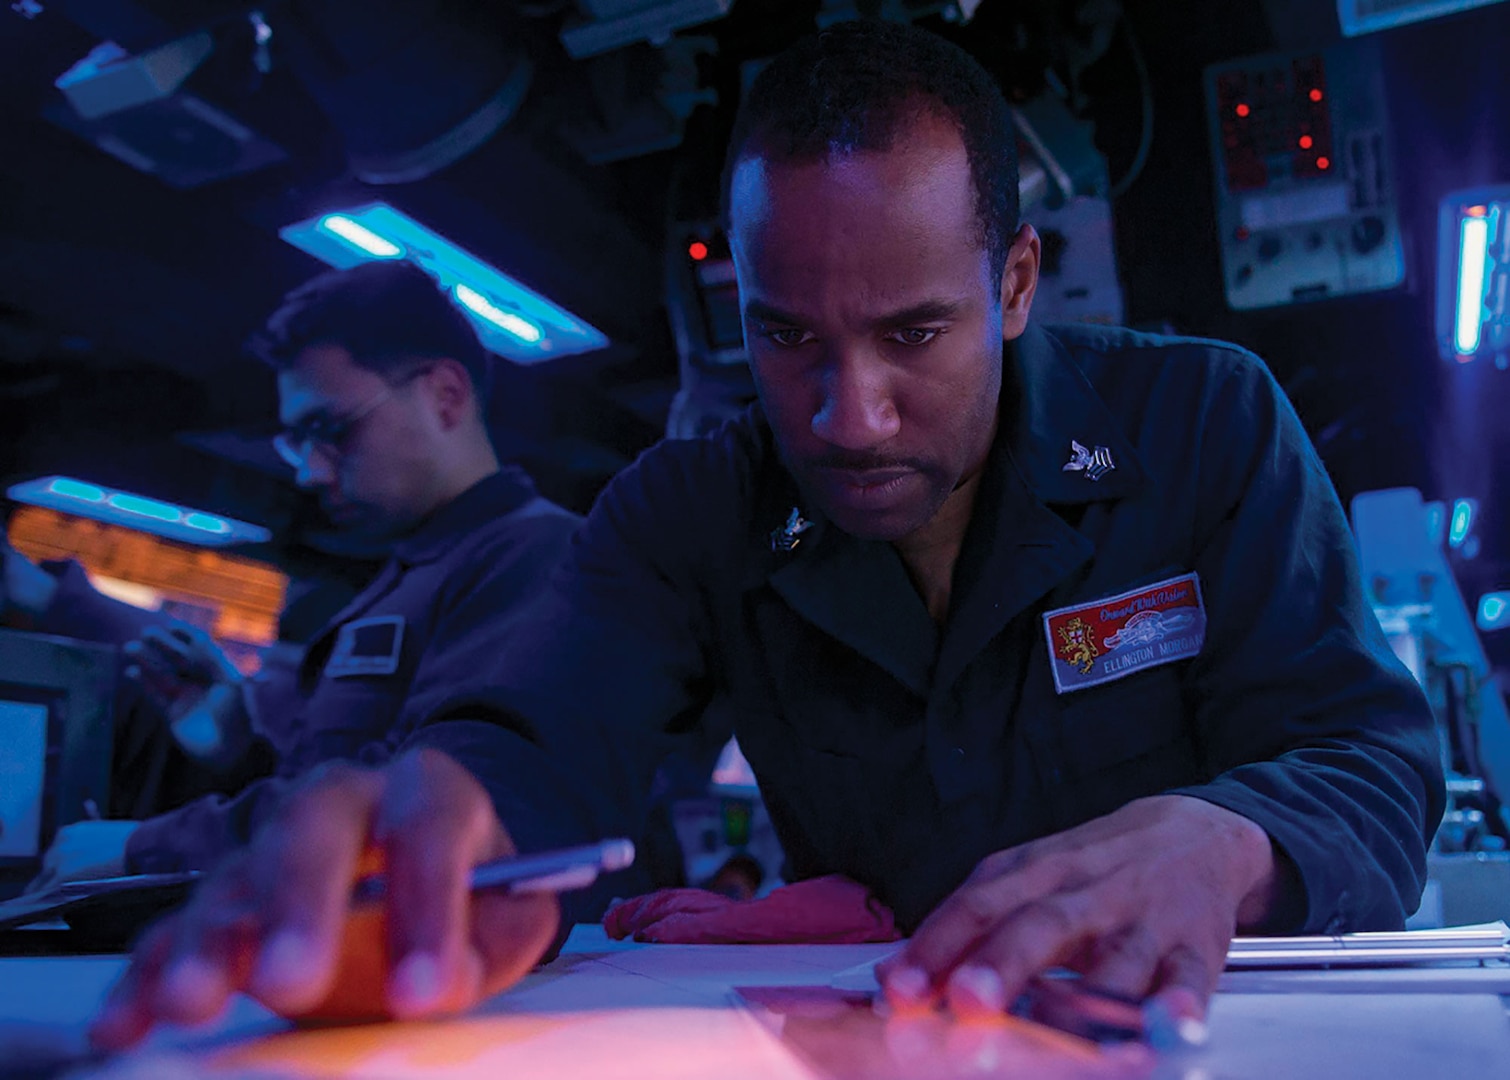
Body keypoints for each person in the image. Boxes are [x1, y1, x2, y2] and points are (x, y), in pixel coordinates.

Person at [91, 19, 1442, 1048]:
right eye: (785, 336)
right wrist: (452, 829)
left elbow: (1367, 768)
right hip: (892, 1045)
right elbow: (548, 733)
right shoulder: (688, 510)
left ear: (1014, 282)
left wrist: (1222, 839)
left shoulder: (1203, 423)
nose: (847, 417)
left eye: (912, 333)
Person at [29, 260, 579, 891]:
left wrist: (148, 846)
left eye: (330, 429)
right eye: (297, 444)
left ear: (445, 396)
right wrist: (243, 747)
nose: (308, 474)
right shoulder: (415, 575)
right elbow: (342, 795)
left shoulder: (537, 555)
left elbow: (425, 809)